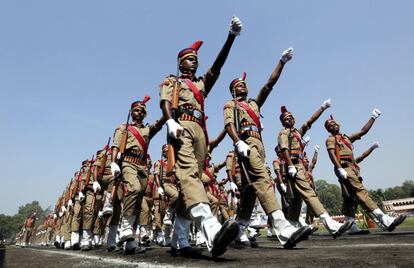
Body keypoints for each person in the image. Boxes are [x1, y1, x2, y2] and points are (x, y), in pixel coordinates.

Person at [160, 16, 243, 257]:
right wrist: (170, 120)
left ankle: (179, 240)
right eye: (189, 60)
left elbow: (217, 68)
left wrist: (230, 38)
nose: (194, 63)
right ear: (180, 63)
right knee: (189, 176)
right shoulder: (172, 81)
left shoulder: (200, 84)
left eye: (196, 60)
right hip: (181, 126)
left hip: (199, 132)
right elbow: (165, 101)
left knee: (191, 182)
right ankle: (211, 228)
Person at [224, 47, 312, 249]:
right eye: (238, 86)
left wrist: (281, 61)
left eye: (244, 85)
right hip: (246, 145)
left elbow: (268, 84)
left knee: (250, 192)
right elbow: (229, 126)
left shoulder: (254, 105)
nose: (243, 87)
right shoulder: (231, 105)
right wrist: (238, 142)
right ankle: (283, 228)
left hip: (259, 146)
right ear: (233, 91)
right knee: (264, 181)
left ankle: (239, 230)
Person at [278, 103, 353, 238]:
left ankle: (289, 228)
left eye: (291, 117)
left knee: (296, 200)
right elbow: (284, 149)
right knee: (309, 193)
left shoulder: (297, 133)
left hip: (299, 165)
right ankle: (330, 224)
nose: (289, 119)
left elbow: (310, 121)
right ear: (282, 122)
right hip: (294, 165)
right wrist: (290, 165)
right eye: (286, 118)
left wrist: (322, 108)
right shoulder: (283, 133)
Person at [324, 111, 406, 232]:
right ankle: (384, 219)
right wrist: (340, 168)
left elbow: (363, 131)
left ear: (338, 124)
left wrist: (373, 117)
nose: (332, 126)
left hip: (351, 167)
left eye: (333, 123)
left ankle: (351, 225)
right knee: (360, 191)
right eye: (329, 126)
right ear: (328, 130)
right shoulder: (330, 139)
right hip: (343, 167)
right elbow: (332, 155)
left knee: (350, 198)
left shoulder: (346, 138)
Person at [110, 96, 165, 254]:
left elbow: (160, 123)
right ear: (131, 112)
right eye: (136, 110)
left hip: (142, 166)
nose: (139, 113)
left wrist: (167, 108)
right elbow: (115, 146)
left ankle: (130, 243)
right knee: (133, 189)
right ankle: (126, 229)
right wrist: (113, 162)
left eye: (142, 111)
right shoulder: (123, 128)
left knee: (138, 199)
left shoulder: (147, 129)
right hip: (127, 162)